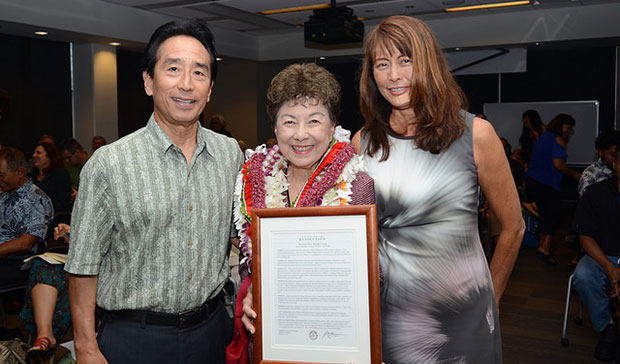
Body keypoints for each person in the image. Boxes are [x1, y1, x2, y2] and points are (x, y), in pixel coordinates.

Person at [65, 18, 243, 364]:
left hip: (212, 332)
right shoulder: (109, 164)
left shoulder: (229, 154)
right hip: (134, 338)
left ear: (209, 90)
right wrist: (86, 346)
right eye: (173, 69)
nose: (186, 85)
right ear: (149, 81)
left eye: (199, 73)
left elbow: (242, 236)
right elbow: (82, 266)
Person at [351, 16, 524, 363]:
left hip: (464, 314)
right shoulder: (362, 143)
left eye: (405, 60)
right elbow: (359, 233)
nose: (394, 76)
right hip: (391, 314)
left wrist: (493, 298)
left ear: (427, 63)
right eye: (382, 65)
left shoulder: (476, 134)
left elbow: (513, 227)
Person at [234, 63, 375, 363]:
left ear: (332, 125)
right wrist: (251, 289)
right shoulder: (253, 181)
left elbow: (372, 276)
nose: (301, 135)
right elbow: (249, 258)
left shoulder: (357, 186)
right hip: (269, 339)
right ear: (274, 127)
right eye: (288, 121)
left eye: (313, 120)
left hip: (335, 342)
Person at [572, 150, 620, 362]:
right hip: (603, 256)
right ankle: (607, 328)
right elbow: (585, 236)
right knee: (583, 275)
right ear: (615, 165)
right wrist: (610, 268)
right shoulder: (596, 192)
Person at [525, 113, 581, 263]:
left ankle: (543, 247)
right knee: (553, 214)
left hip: (532, 180)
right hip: (546, 182)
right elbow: (558, 165)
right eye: (568, 128)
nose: (568, 132)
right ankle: (545, 248)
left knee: (544, 213)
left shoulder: (543, 137)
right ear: (561, 125)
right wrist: (574, 174)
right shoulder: (558, 139)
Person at [0, 147, 53, 286]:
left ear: (19, 172)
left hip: (17, 263)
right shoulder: (4, 195)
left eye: (1, 175)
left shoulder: (37, 199)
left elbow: (26, 243)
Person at [21, 223, 72, 362]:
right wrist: (70, 234)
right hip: (82, 257)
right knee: (43, 265)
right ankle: (44, 334)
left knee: (72, 276)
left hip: (114, 266)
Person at [30, 142, 72, 218]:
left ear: (49, 156)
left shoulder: (60, 174)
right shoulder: (30, 177)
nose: (34, 155)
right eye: (34, 153)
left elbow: (62, 202)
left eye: (38, 153)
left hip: (54, 218)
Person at [578, 130, 620, 197]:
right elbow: (588, 203)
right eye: (613, 155)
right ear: (600, 152)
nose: (616, 159)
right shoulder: (590, 175)